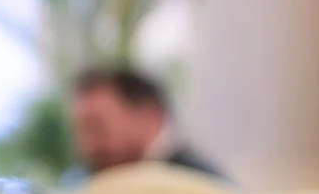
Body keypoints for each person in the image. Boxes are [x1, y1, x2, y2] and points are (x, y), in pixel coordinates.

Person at [68, 61, 227, 184]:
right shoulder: (84, 183)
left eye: (97, 127)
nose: (88, 146)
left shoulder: (202, 187)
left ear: (150, 118)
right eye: (81, 131)